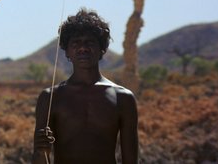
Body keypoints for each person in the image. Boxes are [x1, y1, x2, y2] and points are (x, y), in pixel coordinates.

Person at [32, 8, 139, 164]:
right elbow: (38, 159)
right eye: (76, 43)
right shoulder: (50, 98)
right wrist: (41, 151)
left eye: (90, 42)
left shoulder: (123, 98)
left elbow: (131, 160)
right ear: (67, 51)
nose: (83, 48)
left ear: (102, 50)